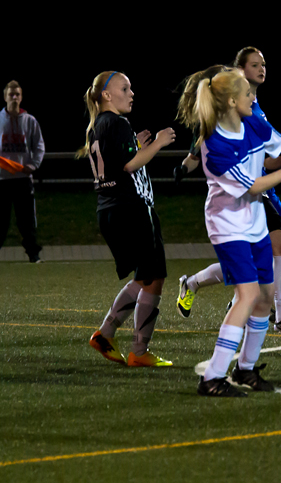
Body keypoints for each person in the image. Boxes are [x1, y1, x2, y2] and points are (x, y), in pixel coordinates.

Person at [191, 65, 281, 397]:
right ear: (233, 100)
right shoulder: (214, 144)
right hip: (226, 225)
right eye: (248, 93)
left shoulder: (253, 123)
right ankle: (212, 378)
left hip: (253, 223)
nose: (254, 97)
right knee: (248, 296)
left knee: (265, 298)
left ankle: (245, 369)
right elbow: (255, 186)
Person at [174, 48, 281, 334]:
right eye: (254, 65)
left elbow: (268, 148)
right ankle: (278, 316)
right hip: (244, 194)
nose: (261, 69)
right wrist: (184, 167)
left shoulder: (253, 108)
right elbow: (202, 145)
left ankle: (197, 284)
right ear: (239, 73)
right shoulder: (231, 110)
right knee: (277, 247)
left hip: (262, 190)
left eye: (264, 64)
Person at [79, 71, 176, 368]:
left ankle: (106, 334)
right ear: (107, 95)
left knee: (145, 276)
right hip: (131, 209)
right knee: (154, 276)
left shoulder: (99, 126)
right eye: (125, 88)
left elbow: (117, 159)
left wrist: (135, 143)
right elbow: (129, 165)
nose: (131, 93)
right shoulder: (117, 122)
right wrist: (158, 143)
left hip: (109, 211)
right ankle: (138, 350)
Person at [0, 80, 45, 264]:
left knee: (27, 221)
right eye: (11, 94)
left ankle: (34, 254)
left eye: (17, 94)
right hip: (2, 179)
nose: (14, 97)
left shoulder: (30, 121)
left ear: (21, 97)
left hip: (23, 179)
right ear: (5, 97)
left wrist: (31, 166)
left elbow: (39, 147)